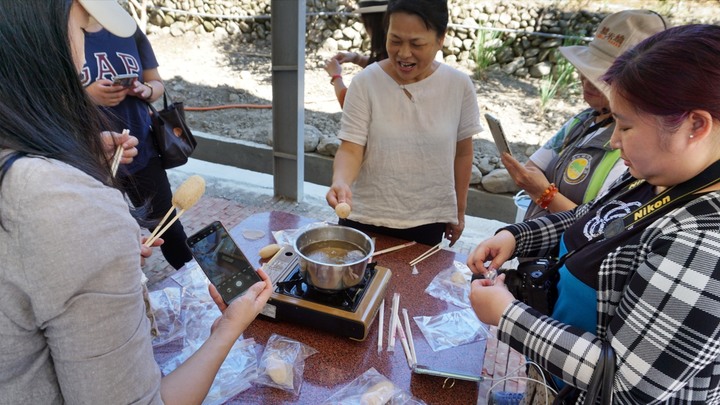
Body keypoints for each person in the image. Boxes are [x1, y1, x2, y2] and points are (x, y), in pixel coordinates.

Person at [0, 1, 273, 403]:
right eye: (80, 27)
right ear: (38, 37)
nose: (82, 52)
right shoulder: (68, 205)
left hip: (123, 159)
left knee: (170, 226)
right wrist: (228, 328)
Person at [468, 24, 720, 403]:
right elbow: (592, 219)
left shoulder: (705, 241)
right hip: (558, 384)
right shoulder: (662, 175)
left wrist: (507, 316)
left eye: (627, 125)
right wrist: (516, 237)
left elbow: (624, 385)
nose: (615, 140)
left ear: (694, 125)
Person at [326, 0, 482, 247]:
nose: (404, 53)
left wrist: (458, 211)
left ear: (441, 39)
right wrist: (341, 181)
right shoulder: (365, 83)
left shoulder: (459, 86)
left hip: (428, 220)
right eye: (395, 40)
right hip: (364, 215)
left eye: (416, 43)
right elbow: (351, 147)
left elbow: (463, 154)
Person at [503, 10, 667, 221]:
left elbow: (598, 225)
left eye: (600, 77)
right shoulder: (584, 120)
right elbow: (533, 169)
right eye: (586, 70)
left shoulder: (635, 150)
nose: (588, 81)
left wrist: (544, 194)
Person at [81, 6, 192, 270]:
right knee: (103, 232)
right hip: (87, 154)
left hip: (139, 146)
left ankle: (197, 282)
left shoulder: (126, 27)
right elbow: (43, 97)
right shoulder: (57, 31)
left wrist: (145, 89)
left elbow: (157, 84)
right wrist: (87, 94)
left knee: (166, 225)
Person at [324, 0, 389, 108]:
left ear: (371, 24)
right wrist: (357, 59)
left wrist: (335, 76)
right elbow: (381, 65)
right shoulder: (396, 52)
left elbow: (350, 104)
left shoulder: (391, 59)